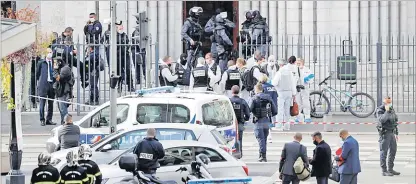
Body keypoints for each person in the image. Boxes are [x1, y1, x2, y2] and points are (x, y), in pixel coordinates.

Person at [250, 83, 277, 162]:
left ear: (257, 89)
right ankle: (261, 154)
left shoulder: (254, 98)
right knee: (264, 139)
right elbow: (275, 111)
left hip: (258, 121)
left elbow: (249, 109)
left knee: (261, 139)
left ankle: (263, 156)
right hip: (267, 121)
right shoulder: (268, 98)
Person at [376, 96, 400, 176]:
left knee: (393, 150)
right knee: (384, 151)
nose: (389, 104)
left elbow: (395, 121)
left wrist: (396, 133)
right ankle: (384, 170)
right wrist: (386, 111)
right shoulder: (380, 110)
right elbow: (382, 120)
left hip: (392, 132)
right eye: (388, 102)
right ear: (384, 102)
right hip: (385, 133)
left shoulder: (391, 109)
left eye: (390, 102)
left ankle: (390, 168)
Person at [272, 57, 297, 131]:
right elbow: (293, 83)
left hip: (281, 93)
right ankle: (287, 126)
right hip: (289, 93)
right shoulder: (290, 73)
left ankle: (279, 126)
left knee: (280, 110)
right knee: (287, 110)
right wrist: (294, 93)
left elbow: (274, 83)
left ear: (280, 65)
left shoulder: (279, 73)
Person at [37, 48, 57, 126]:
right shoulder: (41, 63)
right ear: (45, 54)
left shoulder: (54, 62)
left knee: (51, 103)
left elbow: (56, 71)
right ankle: (42, 119)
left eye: (51, 52)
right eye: (48, 52)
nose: (50, 54)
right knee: (42, 103)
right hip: (43, 84)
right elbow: (38, 73)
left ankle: (49, 119)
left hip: (51, 84)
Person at [229, 85, 250, 156]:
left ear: (232, 91)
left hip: (230, 124)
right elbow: (248, 113)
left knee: (229, 139)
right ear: (239, 91)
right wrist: (245, 119)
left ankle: (231, 153)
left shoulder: (229, 101)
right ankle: (239, 153)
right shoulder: (242, 101)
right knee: (239, 139)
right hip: (240, 123)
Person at [53, 57, 75, 125]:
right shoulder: (61, 68)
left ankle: (66, 122)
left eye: (56, 63)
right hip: (61, 91)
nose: (54, 64)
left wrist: (55, 70)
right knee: (62, 108)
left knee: (63, 108)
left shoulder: (65, 69)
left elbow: (58, 78)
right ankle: (64, 121)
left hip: (64, 91)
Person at [115, 20, 134, 92]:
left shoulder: (125, 35)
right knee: (119, 72)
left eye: (121, 27)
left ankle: (130, 86)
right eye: (119, 28)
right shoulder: (115, 36)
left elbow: (127, 44)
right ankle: (119, 87)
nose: (121, 29)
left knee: (128, 71)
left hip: (125, 55)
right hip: (118, 56)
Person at [258, 75, 277, 143]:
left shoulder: (262, 87)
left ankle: (268, 137)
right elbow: (275, 95)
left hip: (265, 106)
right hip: (273, 104)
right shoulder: (272, 86)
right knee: (270, 119)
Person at [295, 58, 314, 123]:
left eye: (299, 62)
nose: (297, 63)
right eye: (296, 62)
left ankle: (307, 116)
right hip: (297, 88)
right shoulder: (294, 69)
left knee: (305, 103)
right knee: (298, 103)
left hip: (304, 88)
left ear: (302, 62)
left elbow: (311, 76)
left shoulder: (307, 70)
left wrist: (307, 79)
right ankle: (298, 116)